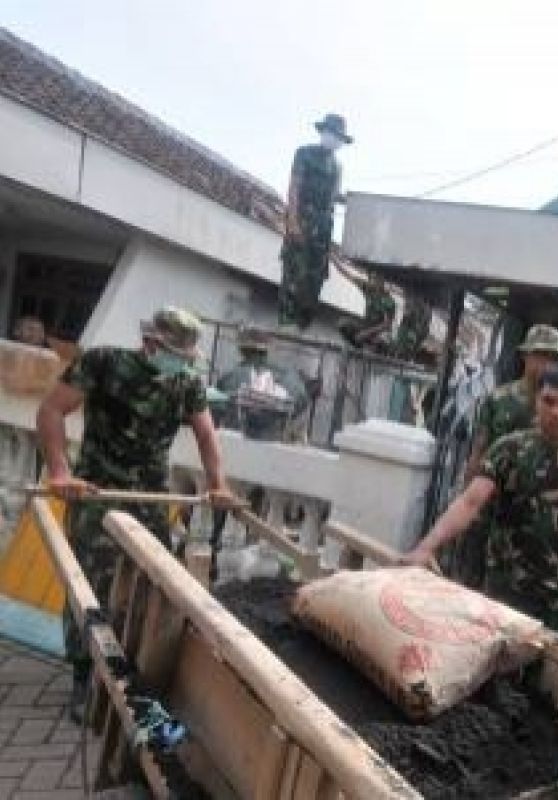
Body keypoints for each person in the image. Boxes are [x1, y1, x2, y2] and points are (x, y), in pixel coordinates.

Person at [36, 305, 238, 718]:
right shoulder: (104, 363)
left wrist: (218, 483)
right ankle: (82, 677)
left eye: (185, 359)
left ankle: (131, 676)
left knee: (155, 585)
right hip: (97, 490)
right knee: (90, 587)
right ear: (152, 343)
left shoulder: (184, 383)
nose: (180, 364)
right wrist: (60, 472)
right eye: (175, 355)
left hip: (149, 498)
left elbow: (205, 434)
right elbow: (51, 410)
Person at [403, 367, 558, 643]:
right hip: (508, 586)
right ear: (537, 400)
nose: (556, 412)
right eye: (548, 401)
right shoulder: (508, 450)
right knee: (495, 669)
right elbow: (470, 501)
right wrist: (426, 547)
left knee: (554, 675)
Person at [454, 324, 558, 587]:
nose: (546, 364)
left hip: (535, 515)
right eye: (540, 355)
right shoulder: (498, 400)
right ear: (525, 356)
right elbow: (478, 452)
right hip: (491, 503)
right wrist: (465, 501)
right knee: (470, 578)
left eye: (553, 358)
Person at [279, 113, 351, 331]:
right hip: (303, 220)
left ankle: (303, 326)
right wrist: (292, 221)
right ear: (323, 132)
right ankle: (286, 323)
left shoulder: (337, 165)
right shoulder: (304, 153)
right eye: (332, 134)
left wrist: (353, 201)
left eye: (339, 137)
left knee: (315, 279)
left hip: (323, 228)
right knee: (294, 272)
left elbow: (334, 195)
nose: (335, 139)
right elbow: (295, 187)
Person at [215, 327, 310, 441]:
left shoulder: (231, 376)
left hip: (235, 440)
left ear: (242, 349)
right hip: (275, 441)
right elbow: (302, 402)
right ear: (267, 350)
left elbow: (217, 407)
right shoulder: (289, 375)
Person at [335, 261, 396, 350]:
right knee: (343, 323)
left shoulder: (389, 301)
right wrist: (332, 257)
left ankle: (370, 346)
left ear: (382, 281)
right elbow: (347, 274)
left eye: (376, 278)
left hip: (380, 333)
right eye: (371, 278)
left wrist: (367, 333)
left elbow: (387, 324)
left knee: (380, 343)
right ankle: (358, 346)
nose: (373, 281)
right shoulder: (368, 289)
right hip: (366, 327)